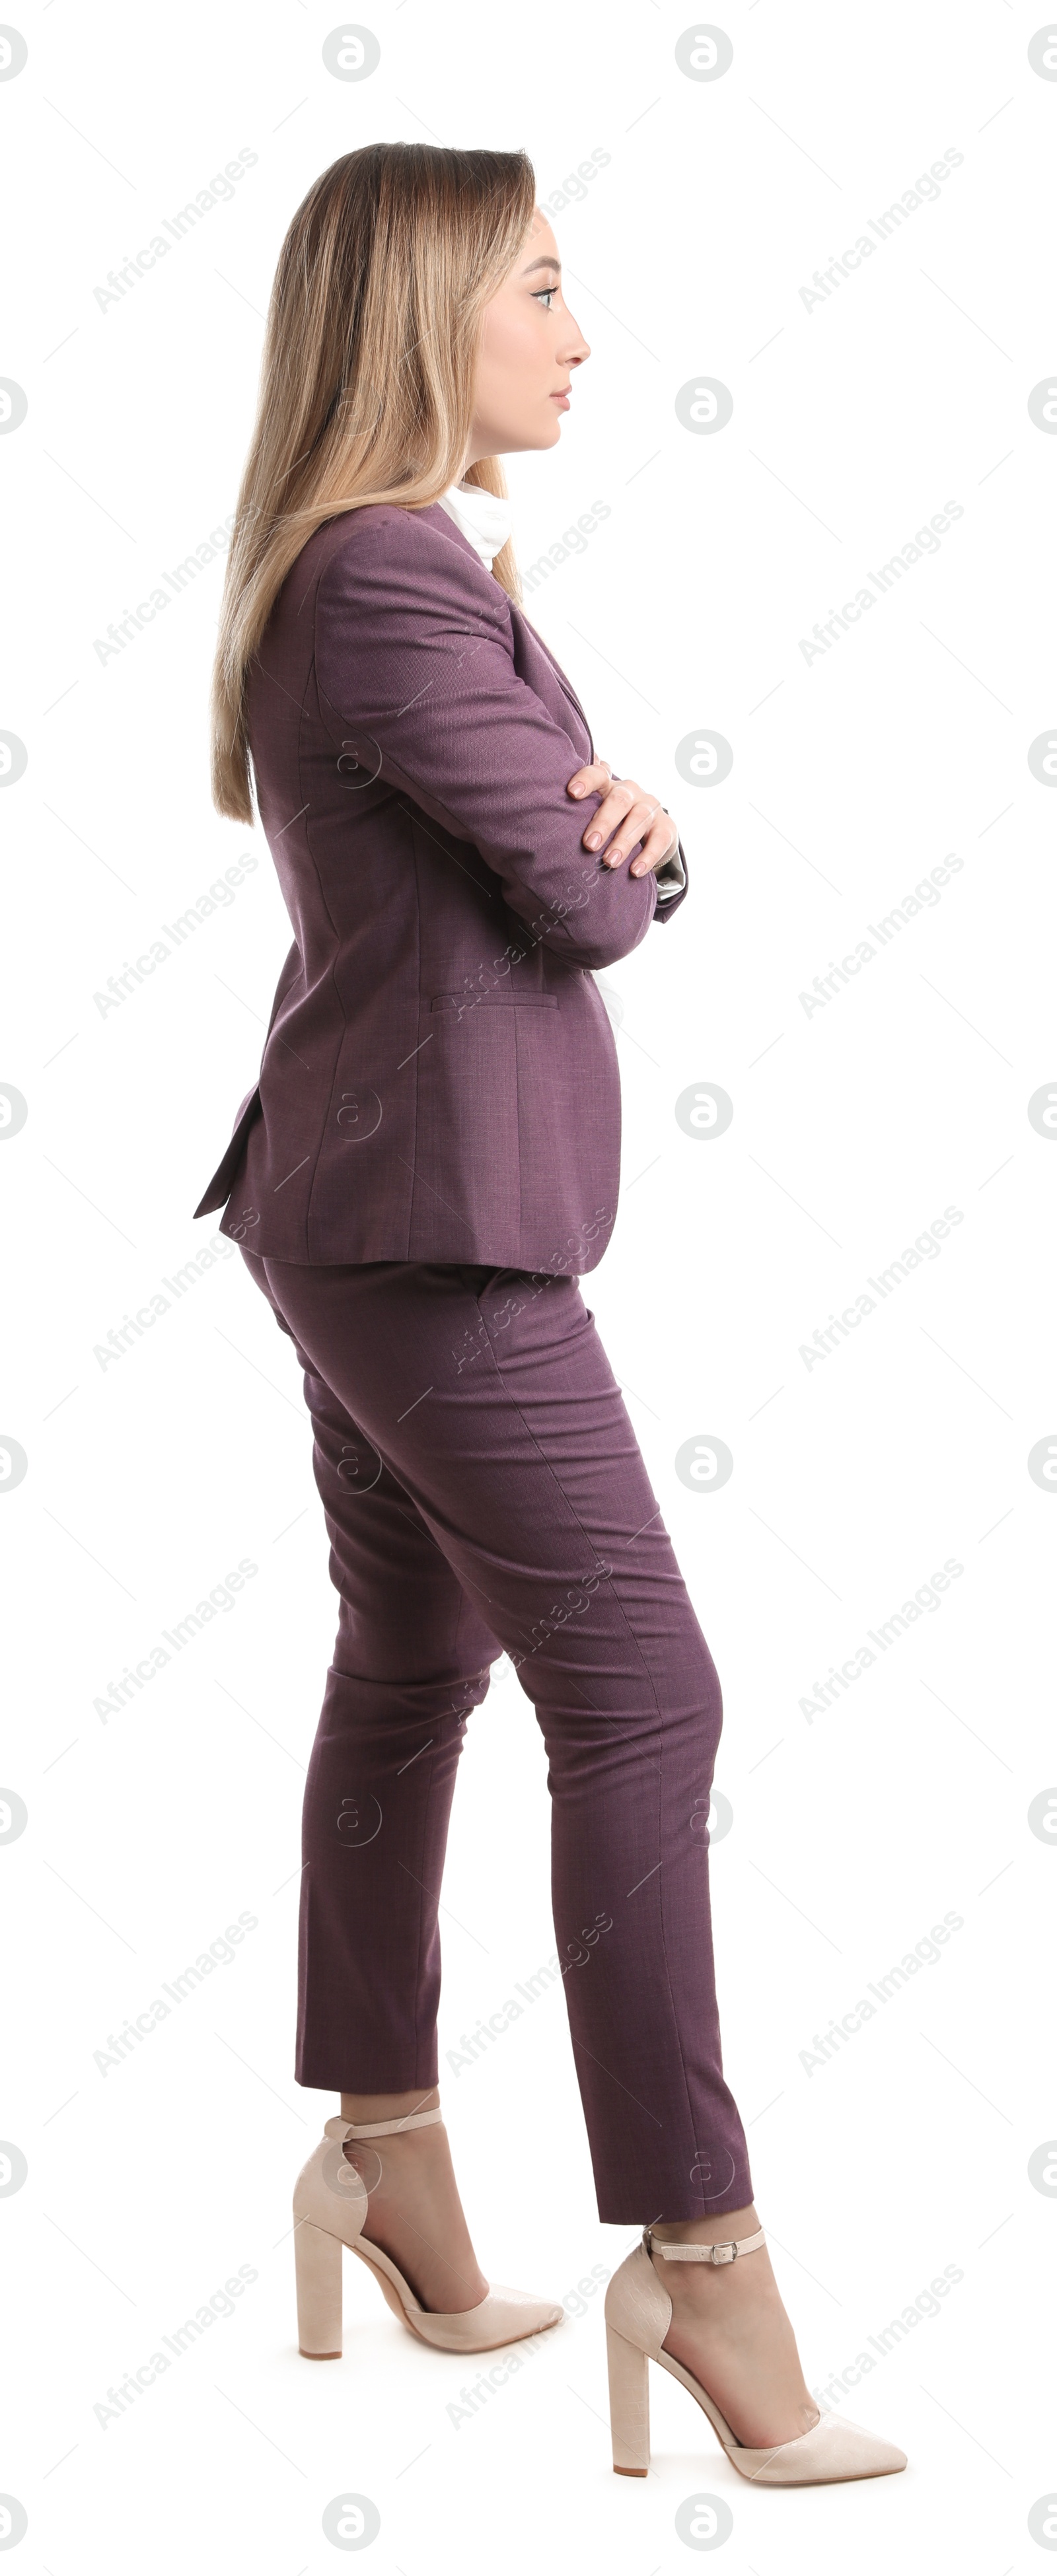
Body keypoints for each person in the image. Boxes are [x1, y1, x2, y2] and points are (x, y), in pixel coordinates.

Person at [196, 141, 905, 2487]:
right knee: (650, 1698)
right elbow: (586, 901)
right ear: (424, 316)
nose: (579, 338)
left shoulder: (364, 567)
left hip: (355, 1206)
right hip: (434, 1236)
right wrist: (636, 824)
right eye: (541, 288)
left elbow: (578, 858)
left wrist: (623, 816)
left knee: (414, 1664)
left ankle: (380, 2145)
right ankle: (699, 2263)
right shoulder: (392, 576)